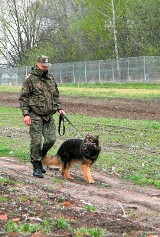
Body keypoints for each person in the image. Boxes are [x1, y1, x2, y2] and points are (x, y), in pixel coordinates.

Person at [19, 55, 65, 178]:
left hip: (49, 115)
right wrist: (26, 114)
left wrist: (59, 108)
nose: (45, 68)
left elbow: (56, 96)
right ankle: (36, 166)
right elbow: (24, 98)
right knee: (36, 141)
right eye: (43, 66)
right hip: (35, 115)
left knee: (51, 139)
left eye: (47, 66)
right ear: (37, 64)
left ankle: (41, 157)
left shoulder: (50, 78)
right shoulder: (30, 79)